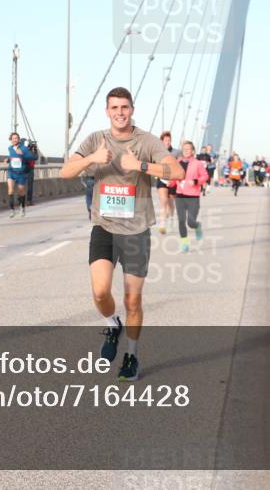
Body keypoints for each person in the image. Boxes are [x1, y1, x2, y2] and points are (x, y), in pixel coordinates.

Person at [60, 87, 183, 381]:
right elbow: (65, 171)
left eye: (124, 107)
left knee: (132, 301)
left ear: (132, 109)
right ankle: (112, 324)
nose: (119, 112)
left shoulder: (146, 141)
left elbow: (177, 172)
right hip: (104, 227)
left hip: (136, 231)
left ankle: (131, 355)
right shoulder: (95, 140)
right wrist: (92, 159)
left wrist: (139, 165)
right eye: (114, 107)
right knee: (100, 291)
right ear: (107, 111)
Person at [172, 141, 209, 252]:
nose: (186, 151)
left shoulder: (198, 163)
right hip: (180, 195)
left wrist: (196, 181)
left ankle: (197, 226)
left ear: (193, 151)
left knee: (191, 221)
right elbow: (174, 177)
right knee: (181, 221)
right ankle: (185, 243)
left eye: (188, 149)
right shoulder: (177, 162)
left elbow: (205, 176)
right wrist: (170, 183)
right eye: (184, 149)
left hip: (193, 196)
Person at [5, 132, 37, 218]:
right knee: (10, 191)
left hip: (21, 174)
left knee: (21, 192)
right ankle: (12, 210)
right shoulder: (10, 148)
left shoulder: (24, 148)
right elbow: (12, 157)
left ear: (18, 139)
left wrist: (22, 154)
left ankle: (22, 207)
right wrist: (8, 160)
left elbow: (34, 157)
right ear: (11, 140)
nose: (14, 140)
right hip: (11, 172)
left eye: (16, 138)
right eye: (13, 138)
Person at [155, 131, 178, 234]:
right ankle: (162, 224)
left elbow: (180, 166)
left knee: (170, 202)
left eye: (169, 140)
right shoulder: (157, 152)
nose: (168, 142)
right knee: (163, 200)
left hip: (173, 180)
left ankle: (171, 219)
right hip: (161, 179)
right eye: (166, 140)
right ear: (161, 141)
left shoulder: (176, 153)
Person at [25, 140, 39, 205]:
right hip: (27, 169)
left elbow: (36, 157)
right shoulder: (27, 151)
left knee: (29, 186)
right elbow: (35, 157)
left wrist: (35, 150)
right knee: (26, 185)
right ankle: (27, 200)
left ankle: (29, 200)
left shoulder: (32, 151)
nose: (33, 147)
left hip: (30, 169)